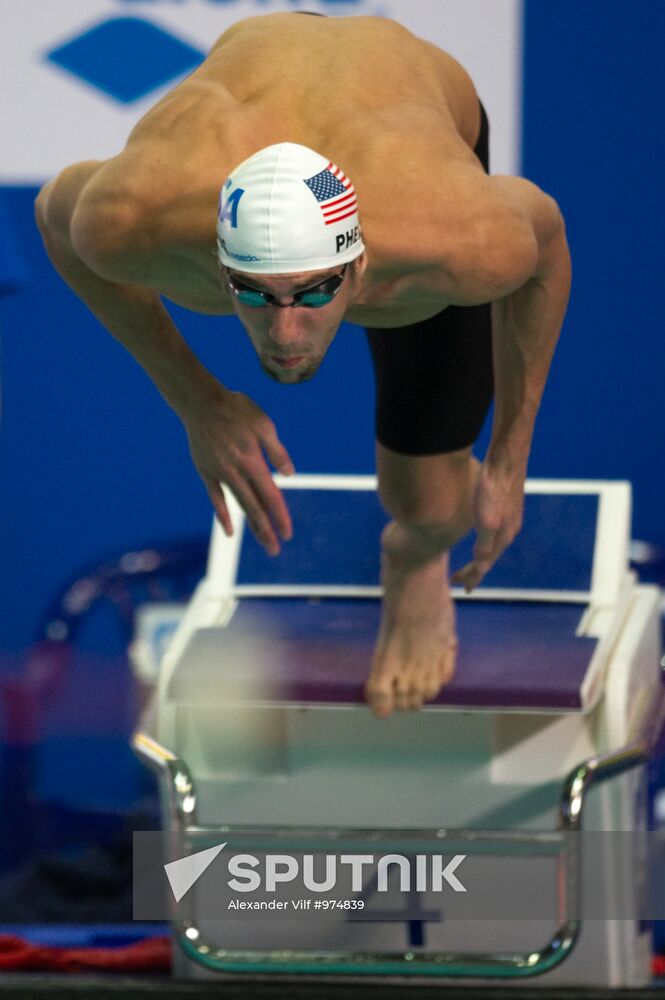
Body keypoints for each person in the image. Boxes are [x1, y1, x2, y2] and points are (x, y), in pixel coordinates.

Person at [35, 12, 571, 719]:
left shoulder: (450, 234)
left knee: (432, 505)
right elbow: (54, 215)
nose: (285, 330)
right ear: (217, 264)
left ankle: (413, 558)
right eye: (253, 293)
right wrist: (196, 401)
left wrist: (508, 455)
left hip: (404, 99)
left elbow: (547, 250)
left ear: (360, 265)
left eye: (314, 291)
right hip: (253, 78)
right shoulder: (135, 214)